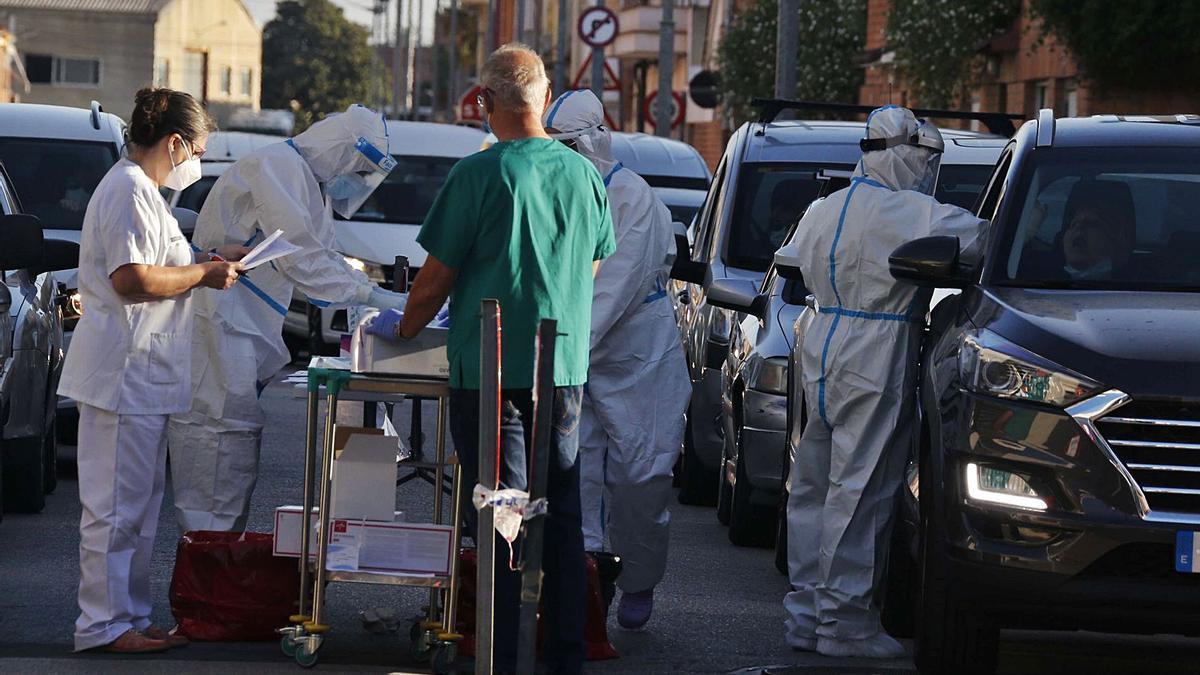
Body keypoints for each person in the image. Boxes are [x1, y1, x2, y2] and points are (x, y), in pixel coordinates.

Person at [385, 44, 614, 674]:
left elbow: (434, 278)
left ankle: (502, 654)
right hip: (561, 371)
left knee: (503, 514)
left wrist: (402, 328)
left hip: (489, 373)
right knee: (561, 516)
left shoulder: (479, 174)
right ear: (545, 97)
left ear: (484, 103)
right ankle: (565, 656)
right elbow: (591, 263)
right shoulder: (584, 175)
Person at [774, 106, 986, 658]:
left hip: (821, 337)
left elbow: (789, 257)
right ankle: (845, 625)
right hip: (880, 344)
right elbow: (988, 244)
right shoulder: (916, 214)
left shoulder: (824, 208)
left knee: (814, 483)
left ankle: (806, 614)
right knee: (863, 485)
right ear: (907, 153)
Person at [58, 88, 244, 654]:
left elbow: (159, 266)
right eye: (200, 153)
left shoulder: (144, 194)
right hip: (121, 376)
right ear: (176, 143)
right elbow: (131, 280)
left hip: (140, 375)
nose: (198, 165)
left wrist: (205, 261)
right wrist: (203, 276)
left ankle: (128, 619)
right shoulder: (128, 191)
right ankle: (104, 625)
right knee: (114, 511)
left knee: (135, 511)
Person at [167, 104, 407, 533]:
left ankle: (220, 554)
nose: (357, 176)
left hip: (243, 319)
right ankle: (206, 555)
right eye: (359, 165)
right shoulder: (277, 167)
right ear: (342, 148)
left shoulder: (306, 181)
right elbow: (302, 256)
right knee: (218, 436)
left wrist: (371, 294)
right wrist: (370, 293)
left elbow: (323, 256)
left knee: (232, 438)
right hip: (221, 318)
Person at [543, 89, 691, 630]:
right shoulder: (554, 192)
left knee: (640, 477)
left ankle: (638, 578)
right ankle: (584, 589)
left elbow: (611, 293)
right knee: (574, 474)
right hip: (574, 353)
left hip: (635, 357)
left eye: (566, 148)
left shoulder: (633, 199)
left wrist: (554, 354)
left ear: (592, 143)